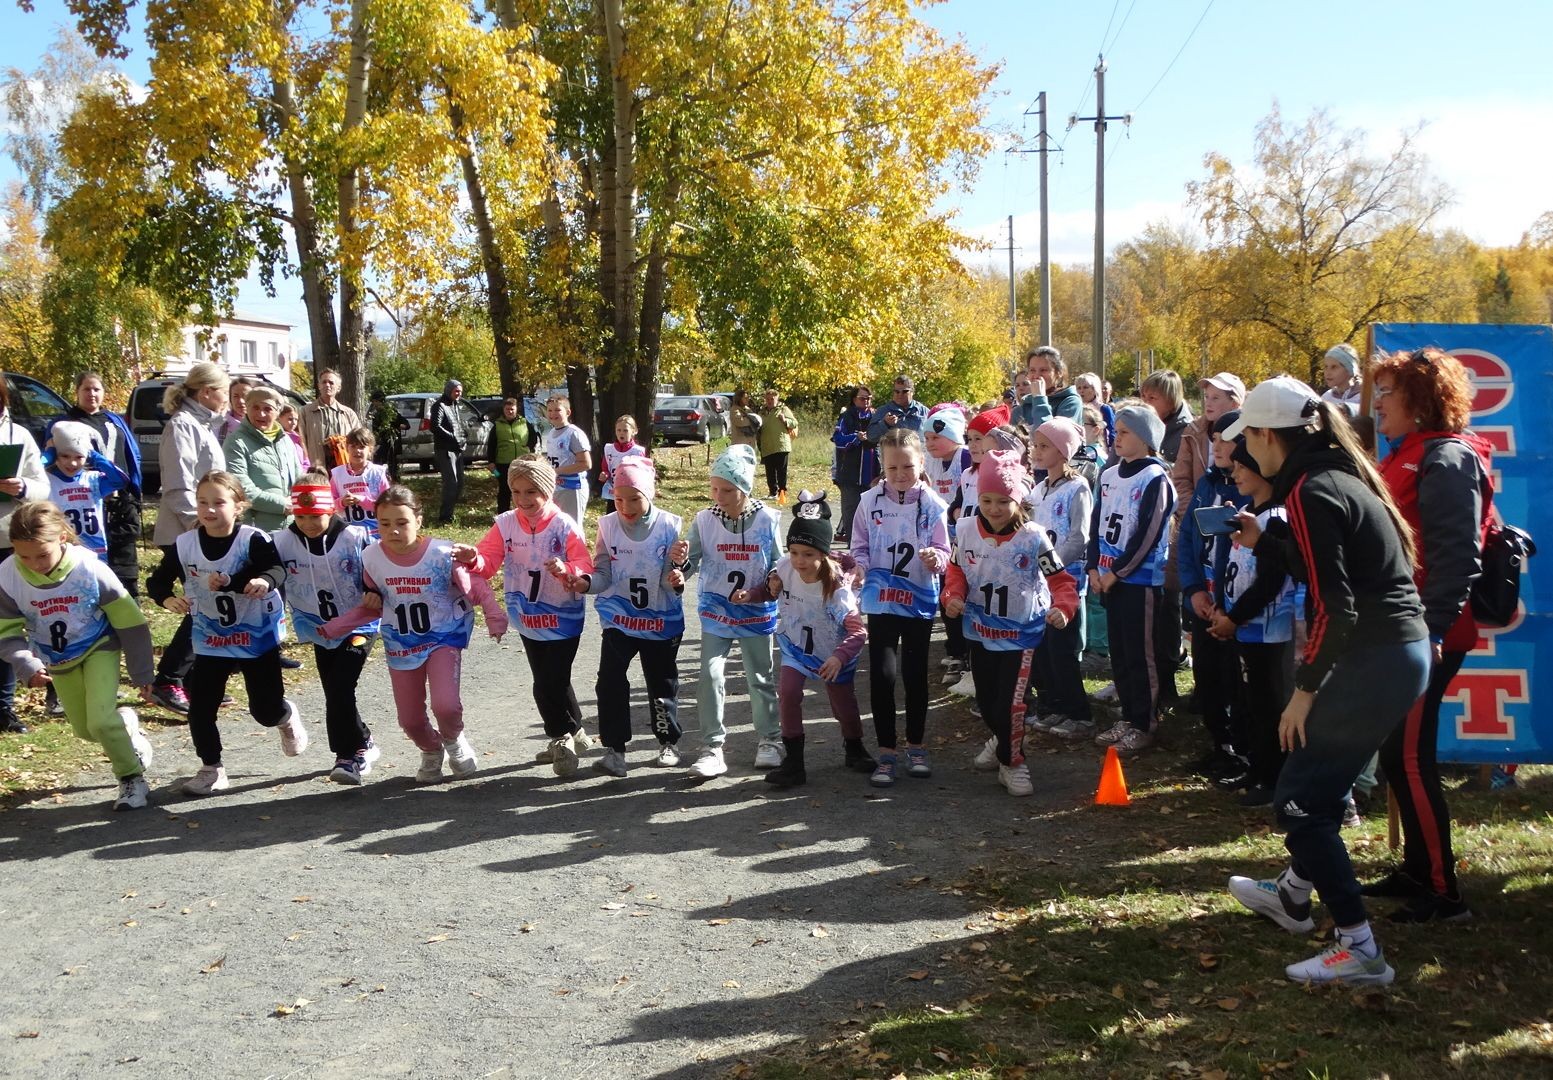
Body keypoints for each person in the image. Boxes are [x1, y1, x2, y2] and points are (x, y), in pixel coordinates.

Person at [1222, 376, 1430, 987]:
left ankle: (1360, 948)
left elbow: (1339, 608)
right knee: (1323, 785)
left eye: (1247, 440)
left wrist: (1305, 691)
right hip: (1394, 655)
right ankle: (1290, 896)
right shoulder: (1330, 476)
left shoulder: (1313, 488)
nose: (1243, 455)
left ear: (1267, 435)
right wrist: (1268, 541)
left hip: (1377, 659)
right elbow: (1329, 572)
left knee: (1298, 803)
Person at [1367, 347, 1492, 923]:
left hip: (1427, 635)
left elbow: (1458, 556)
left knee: (1411, 759)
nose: (1378, 402)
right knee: (1399, 755)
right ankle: (1419, 869)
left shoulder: (1446, 458)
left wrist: (1434, 629)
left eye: (1388, 392)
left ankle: (1443, 891)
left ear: (1419, 401)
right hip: (1401, 633)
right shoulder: (1407, 453)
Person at [147, 471, 309, 797]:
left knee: (264, 710)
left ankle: (285, 715)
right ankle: (211, 768)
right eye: (202, 502)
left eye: (219, 502)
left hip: (255, 637)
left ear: (238, 506)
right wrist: (167, 598)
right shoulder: (185, 544)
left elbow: (275, 568)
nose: (209, 509)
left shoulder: (253, 539)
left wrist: (264, 581)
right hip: (210, 638)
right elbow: (157, 581)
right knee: (201, 707)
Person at [331, 485, 495, 783]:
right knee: (409, 720)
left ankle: (454, 740)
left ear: (418, 520)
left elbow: (475, 584)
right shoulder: (371, 557)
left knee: (445, 704)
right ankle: (431, 749)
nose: (393, 531)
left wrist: (493, 614)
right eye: (384, 524)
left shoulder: (442, 552)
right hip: (402, 644)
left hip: (442, 637)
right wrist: (356, 610)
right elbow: (372, 596)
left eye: (402, 523)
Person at [0, 502, 155, 810]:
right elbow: (6, 631)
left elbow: (131, 622)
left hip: (99, 646)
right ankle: (125, 728)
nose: (34, 563)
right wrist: (25, 662)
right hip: (58, 658)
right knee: (85, 731)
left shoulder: (88, 568)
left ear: (62, 537)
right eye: (24, 556)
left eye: (42, 555)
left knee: (99, 721)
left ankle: (131, 778)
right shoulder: (7, 577)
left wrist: (142, 673)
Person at [944, 448, 1079, 797]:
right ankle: (1003, 738)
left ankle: (1013, 761)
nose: (993, 509)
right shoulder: (966, 531)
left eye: (1003, 501)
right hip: (981, 632)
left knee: (1011, 703)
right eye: (986, 500)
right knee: (988, 703)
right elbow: (956, 570)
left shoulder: (1034, 537)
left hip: (1021, 635)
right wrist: (953, 596)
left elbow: (1061, 581)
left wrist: (1063, 608)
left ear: (1018, 501)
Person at [455, 456, 595, 775]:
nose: (523, 500)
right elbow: (487, 562)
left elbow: (585, 565)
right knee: (552, 679)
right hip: (527, 619)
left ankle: (560, 739)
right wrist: (472, 557)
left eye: (531, 492)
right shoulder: (505, 523)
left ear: (547, 490)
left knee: (548, 682)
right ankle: (576, 733)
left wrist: (566, 570)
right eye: (516, 492)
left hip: (563, 618)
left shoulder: (564, 525)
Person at [732, 492, 869, 789]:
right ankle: (794, 764)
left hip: (833, 654)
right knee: (789, 693)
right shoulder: (784, 568)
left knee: (843, 705)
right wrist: (751, 595)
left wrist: (838, 658)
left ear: (823, 554)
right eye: (794, 552)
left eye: (808, 554)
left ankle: (854, 746)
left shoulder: (836, 590)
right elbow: (769, 593)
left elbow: (859, 632)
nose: (799, 560)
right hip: (796, 647)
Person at [851, 428, 950, 785]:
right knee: (882, 675)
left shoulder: (933, 504)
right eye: (892, 468)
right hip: (882, 600)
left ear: (921, 463)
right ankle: (887, 751)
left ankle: (917, 744)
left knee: (915, 675)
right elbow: (858, 545)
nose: (899, 475)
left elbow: (945, 550)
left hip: (918, 600)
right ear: (882, 466)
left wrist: (935, 558)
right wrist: (860, 567)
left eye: (907, 467)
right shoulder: (869, 501)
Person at [271, 475, 380, 784]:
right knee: (334, 688)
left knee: (341, 686)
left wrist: (375, 592)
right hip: (319, 630)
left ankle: (349, 755)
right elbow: (260, 564)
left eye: (315, 516)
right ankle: (364, 738)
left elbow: (379, 571)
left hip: (360, 624)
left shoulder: (355, 537)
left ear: (331, 509)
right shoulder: (281, 541)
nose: (307, 523)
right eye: (300, 516)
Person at [1208, 433, 1297, 807]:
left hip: (1268, 630)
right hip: (1243, 626)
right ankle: (1257, 769)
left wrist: (1236, 616)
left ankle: (1275, 779)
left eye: (1244, 467)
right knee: (1249, 702)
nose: (1237, 473)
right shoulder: (1249, 515)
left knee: (1269, 705)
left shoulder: (1275, 520)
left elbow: (1270, 582)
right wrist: (1221, 608)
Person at [683, 444, 782, 777]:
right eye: (713, 488)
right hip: (716, 610)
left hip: (756, 611)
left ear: (744, 488)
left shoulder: (767, 519)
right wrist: (677, 570)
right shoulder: (704, 520)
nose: (718, 495)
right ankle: (712, 747)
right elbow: (689, 561)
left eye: (726, 489)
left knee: (759, 677)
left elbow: (777, 564)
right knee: (710, 674)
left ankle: (770, 740)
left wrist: (770, 584)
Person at [586, 458, 689, 777]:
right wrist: (586, 583)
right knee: (610, 680)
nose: (626, 506)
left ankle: (668, 742)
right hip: (620, 618)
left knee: (661, 683)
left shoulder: (669, 526)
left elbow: (672, 575)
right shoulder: (607, 525)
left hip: (660, 621)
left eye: (634, 498)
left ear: (650, 495)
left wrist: (678, 575)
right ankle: (615, 750)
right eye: (618, 498)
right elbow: (603, 572)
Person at [1088, 404, 1175, 755]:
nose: (1116, 437)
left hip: (1138, 582)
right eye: (1117, 431)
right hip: (1108, 578)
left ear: (1146, 438)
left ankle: (1145, 722)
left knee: (1141, 655)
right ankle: (1127, 714)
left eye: (1124, 432)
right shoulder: (1108, 476)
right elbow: (1096, 524)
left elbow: (1149, 534)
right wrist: (1094, 567)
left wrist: (1116, 572)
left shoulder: (1156, 479)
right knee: (1121, 653)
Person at [148, 362, 228, 717]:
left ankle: (194, 683)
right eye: (224, 390)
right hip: (186, 532)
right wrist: (200, 526)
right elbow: (178, 486)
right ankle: (167, 680)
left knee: (207, 603)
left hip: (201, 528)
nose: (227, 398)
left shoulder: (202, 424)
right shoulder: (182, 425)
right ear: (207, 392)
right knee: (202, 605)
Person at [1175, 411, 1251, 778]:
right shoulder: (1207, 484)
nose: (1216, 446)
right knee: (1207, 677)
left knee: (1235, 680)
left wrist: (1225, 603)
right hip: (1202, 601)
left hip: (1234, 608)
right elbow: (1189, 537)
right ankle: (1219, 745)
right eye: (1213, 438)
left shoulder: (1250, 488)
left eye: (1225, 439)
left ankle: (1243, 751)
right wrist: (1192, 590)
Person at [1023, 419, 1094, 741]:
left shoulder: (1077, 488)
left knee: (1062, 648)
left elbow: (1079, 537)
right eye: (1035, 445)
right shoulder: (1039, 489)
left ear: (1063, 451)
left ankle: (1079, 713)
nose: (1035, 452)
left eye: (1043, 446)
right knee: (1043, 648)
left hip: (1065, 581)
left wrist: (1052, 566)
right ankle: (1052, 703)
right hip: (1040, 585)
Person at [54, 371, 143, 598]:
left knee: (124, 569)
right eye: (86, 389)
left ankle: (129, 614)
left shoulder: (115, 421)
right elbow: (52, 459)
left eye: (96, 389)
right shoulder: (64, 424)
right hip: (86, 503)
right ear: (77, 392)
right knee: (89, 568)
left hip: (120, 501)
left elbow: (131, 456)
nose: (91, 394)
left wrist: (134, 491)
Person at [947, 405, 1010, 699]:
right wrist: (956, 512)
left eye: (978, 439)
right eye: (969, 439)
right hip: (966, 547)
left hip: (991, 553)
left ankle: (989, 675)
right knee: (965, 606)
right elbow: (957, 505)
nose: (972, 446)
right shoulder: (967, 474)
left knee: (988, 610)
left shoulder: (999, 475)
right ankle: (971, 668)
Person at [923, 407, 973, 684]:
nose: (929, 444)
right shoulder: (932, 462)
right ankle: (954, 649)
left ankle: (964, 653)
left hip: (964, 541)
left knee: (960, 596)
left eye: (935, 438)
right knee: (947, 594)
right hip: (944, 542)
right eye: (927, 438)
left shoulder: (964, 457)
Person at [43, 421, 131, 564]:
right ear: (56, 456)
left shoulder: (93, 479)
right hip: (62, 552)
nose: (72, 463)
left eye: (79, 457)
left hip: (95, 552)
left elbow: (120, 480)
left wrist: (93, 454)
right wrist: (49, 455)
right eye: (64, 456)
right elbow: (30, 473)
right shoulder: (47, 481)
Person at [222, 385, 303, 532]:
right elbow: (240, 488)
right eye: (255, 407)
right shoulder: (236, 442)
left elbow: (299, 478)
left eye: (267, 409)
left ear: (277, 412)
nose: (261, 414)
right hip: (255, 530)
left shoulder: (285, 440)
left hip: (292, 528)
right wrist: (282, 505)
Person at [1172, 372, 1245, 520]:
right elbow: (1181, 480)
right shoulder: (1192, 432)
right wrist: (1196, 518)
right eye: (1206, 396)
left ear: (1235, 403)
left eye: (1215, 398)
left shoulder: (1249, 435)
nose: (1208, 403)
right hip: (1196, 515)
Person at [831, 387, 878, 545]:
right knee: (851, 512)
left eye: (869, 398)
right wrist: (855, 437)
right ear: (854, 399)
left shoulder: (876, 416)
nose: (866, 402)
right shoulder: (847, 416)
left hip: (872, 474)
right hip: (849, 475)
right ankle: (853, 547)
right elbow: (838, 439)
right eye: (862, 398)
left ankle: (872, 548)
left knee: (871, 513)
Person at [541, 394, 593, 526]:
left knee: (572, 526)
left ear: (568, 412)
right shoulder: (552, 433)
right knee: (557, 525)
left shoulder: (573, 433)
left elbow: (586, 464)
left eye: (557, 410)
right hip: (556, 486)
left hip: (573, 487)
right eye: (550, 410)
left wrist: (557, 471)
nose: (553, 414)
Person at [330, 428, 389, 540]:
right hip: (347, 535)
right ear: (347, 448)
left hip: (375, 533)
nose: (357, 451)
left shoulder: (378, 473)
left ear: (370, 450)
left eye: (362, 447)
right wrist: (341, 502)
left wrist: (362, 500)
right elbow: (329, 505)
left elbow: (387, 505)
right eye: (353, 446)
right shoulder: (337, 474)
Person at [300, 368, 361, 471]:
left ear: (338, 388)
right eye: (324, 382)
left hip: (344, 471)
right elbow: (300, 441)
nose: (327, 385)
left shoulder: (348, 413)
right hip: (316, 471)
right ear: (319, 386)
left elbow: (359, 441)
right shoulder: (305, 412)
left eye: (331, 382)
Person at [488, 397, 538, 516]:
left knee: (523, 489)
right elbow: (491, 444)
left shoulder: (524, 422)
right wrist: (491, 462)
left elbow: (533, 437)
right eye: (507, 409)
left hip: (522, 463)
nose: (510, 411)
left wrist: (528, 448)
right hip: (503, 464)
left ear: (516, 409)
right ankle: (503, 515)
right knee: (504, 490)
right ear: (503, 410)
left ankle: (522, 513)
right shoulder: (497, 425)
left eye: (512, 409)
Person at [431, 379, 467, 524]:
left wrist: (463, 435)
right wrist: (453, 437)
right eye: (456, 391)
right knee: (451, 483)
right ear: (449, 390)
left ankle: (450, 513)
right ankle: (445, 516)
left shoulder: (455, 405)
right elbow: (435, 426)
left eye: (460, 391)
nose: (458, 394)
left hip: (457, 449)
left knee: (459, 484)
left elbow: (457, 424)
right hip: (445, 450)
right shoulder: (439, 405)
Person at [1020, 346, 1084, 428]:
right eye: (1032, 370)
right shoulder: (1025, 404)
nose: (1036, 375)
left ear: (1059, 373)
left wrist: (1039, 399)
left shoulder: (1071, 402)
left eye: (1043, 370)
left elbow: (1049, 436)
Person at [596, 414, 644, 516]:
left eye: (625, 430)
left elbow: (642, 472)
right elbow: (606, 466)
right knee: (612, 516)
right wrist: (604, 474)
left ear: (634, 431)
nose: (621, 433)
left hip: (630, 493)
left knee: (627, 515)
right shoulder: (609, 449)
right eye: (619, 430)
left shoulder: (637, 451)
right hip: (613, 492)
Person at [757, 389, 799, 503]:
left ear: (777, 399)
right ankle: (772, 492)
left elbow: (795, 423)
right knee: (770, 471)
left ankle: (782, 493)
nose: (770, 401)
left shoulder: (783, 409)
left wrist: (785, 420)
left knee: (781, 471)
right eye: (768, 399)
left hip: (781, 445)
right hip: (767, 446)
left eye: (772, 399)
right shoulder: (762, 412)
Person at [867, 376, 928, 442]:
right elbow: (871, 436)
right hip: (892, 451)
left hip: (917, 451)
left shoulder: (924, 412)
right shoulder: (883, 411)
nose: (900, 394)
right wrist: (885, 424)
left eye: (904, 391)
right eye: (897, 391)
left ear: (912, 392)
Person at [368, 389, 408, 481]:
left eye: (375, 402)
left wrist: (398, 426)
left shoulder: (390, 413)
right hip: (382, 444)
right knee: (377, 463)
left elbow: (406, 424)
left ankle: (394, 483)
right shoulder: (376, 415)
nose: (374, 404)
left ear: (380, 401)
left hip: (392, 444)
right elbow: (376, 431)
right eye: (373, 402)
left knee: (392, 466)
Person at [1074, 373, 1114, 450]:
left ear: (1094, 389)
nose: (1081, 391)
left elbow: (1112, 433)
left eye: (1085, 387)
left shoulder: (1104, 408)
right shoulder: (1075, 408)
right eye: (1079, 388)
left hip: (1099, 452)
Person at [1321, 343, 1363, 415]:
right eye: (1326, 367)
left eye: (1334, 367)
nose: (1328, 372)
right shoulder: (1326, 397)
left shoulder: (1363, 398)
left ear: (1349, 369)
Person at [212, 377, 253, 444]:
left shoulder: (260, 424)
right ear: (230, 399)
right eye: (236, 396)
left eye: (245, 396)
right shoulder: (219, 424)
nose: (241, 401)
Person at [277, 403, 310, 472]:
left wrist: (304, 471)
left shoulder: (297, 438)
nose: (294, 422)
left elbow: (305, 460)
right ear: (279, 418)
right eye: (290, 419)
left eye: (296, 419)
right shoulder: (277, 439)